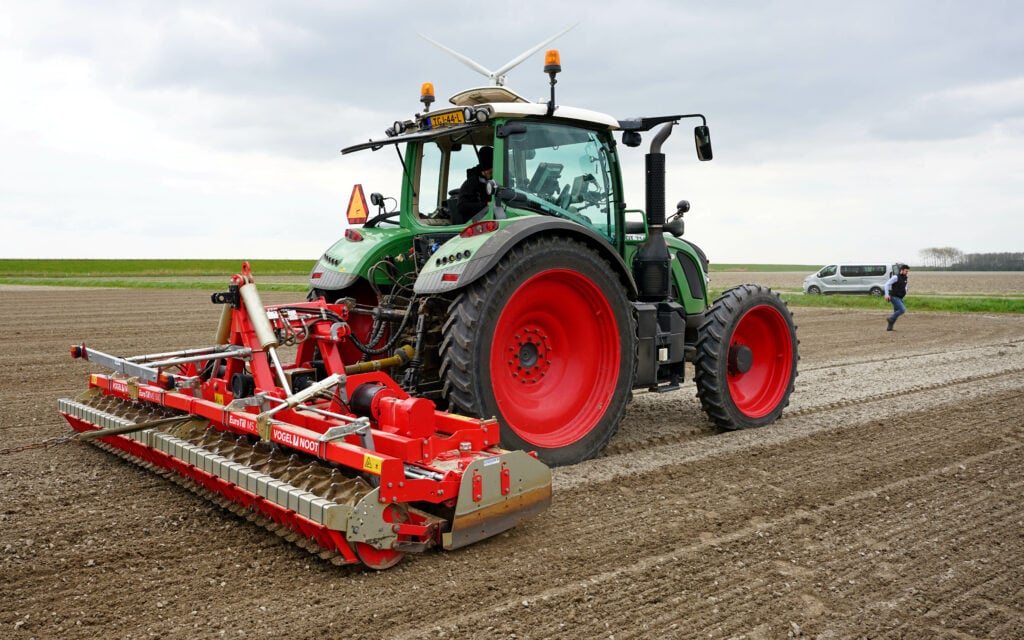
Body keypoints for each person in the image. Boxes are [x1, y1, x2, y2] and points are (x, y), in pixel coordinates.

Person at [454, 146, 493, 224]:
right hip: (474, 223)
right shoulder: (471, 183)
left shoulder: (494, 180)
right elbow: (462, 206)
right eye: (490, 172)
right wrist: (486, 204)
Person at [884, 263, 910, 331]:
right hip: (894, 297)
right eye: (906, 271)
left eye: (908, 271)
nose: (907, 272)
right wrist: (886, 295)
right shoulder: (895, 277)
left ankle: (889, 327)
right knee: (902, 310)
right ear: (902, 270)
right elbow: (886, 285)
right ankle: (890, 319)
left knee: (896, 312)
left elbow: (905, 286)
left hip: (900, 298)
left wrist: (906, 290)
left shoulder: (905, 278)